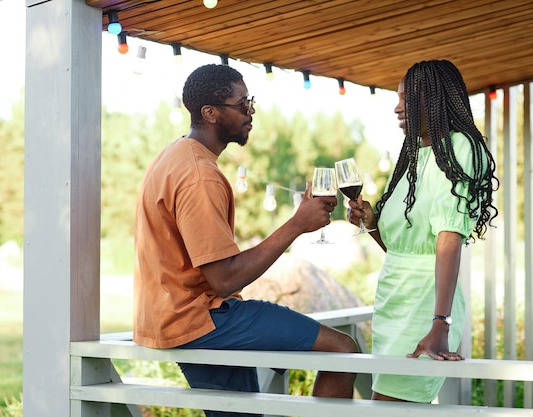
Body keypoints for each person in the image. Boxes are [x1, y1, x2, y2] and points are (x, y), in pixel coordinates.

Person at [133, 63, 358, 417]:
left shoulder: (174, 156)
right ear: (210, 113)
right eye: (242, 105)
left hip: (172, 317)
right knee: (342, 350)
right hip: (201, 318)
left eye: (250, 101)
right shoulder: (198, 175)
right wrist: (296, 225)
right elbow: (224, 279)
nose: (251, 112)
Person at [347, 59, 499, 403]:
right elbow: (401, 248)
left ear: (434, 99)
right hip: (392, 301)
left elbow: (448, 239)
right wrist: (371, 223)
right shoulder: (413, 155)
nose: (397, 107)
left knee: (388, 409)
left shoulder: (461, 147)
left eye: (406, 98)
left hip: (424, 305)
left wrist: (440, 322)